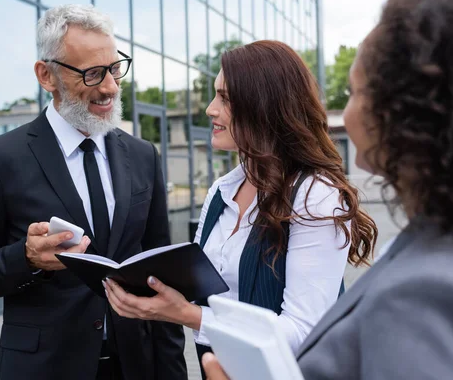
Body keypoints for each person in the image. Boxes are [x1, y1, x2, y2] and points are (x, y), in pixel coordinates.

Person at [202, 0, 453, 380]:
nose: (343, 112)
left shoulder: (429, 287)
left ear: (406, 116)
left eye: (355, 93)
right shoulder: (429, 241)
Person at [103, 40, 377, 377]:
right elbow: (206, 296)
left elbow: (305, 333)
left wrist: (188, 315)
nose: (210, 109)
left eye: (225, 98)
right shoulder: (222, 190)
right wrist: (149, 294)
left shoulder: (314, 195)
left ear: (264, 107)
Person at [0, 4, 187, 380]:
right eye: (92, 74)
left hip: (137, 366)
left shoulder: (143, 155)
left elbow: (160, 273)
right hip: (44, 369)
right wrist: (26, 258)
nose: (109, 86)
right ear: (47, 75)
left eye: (114, 68)